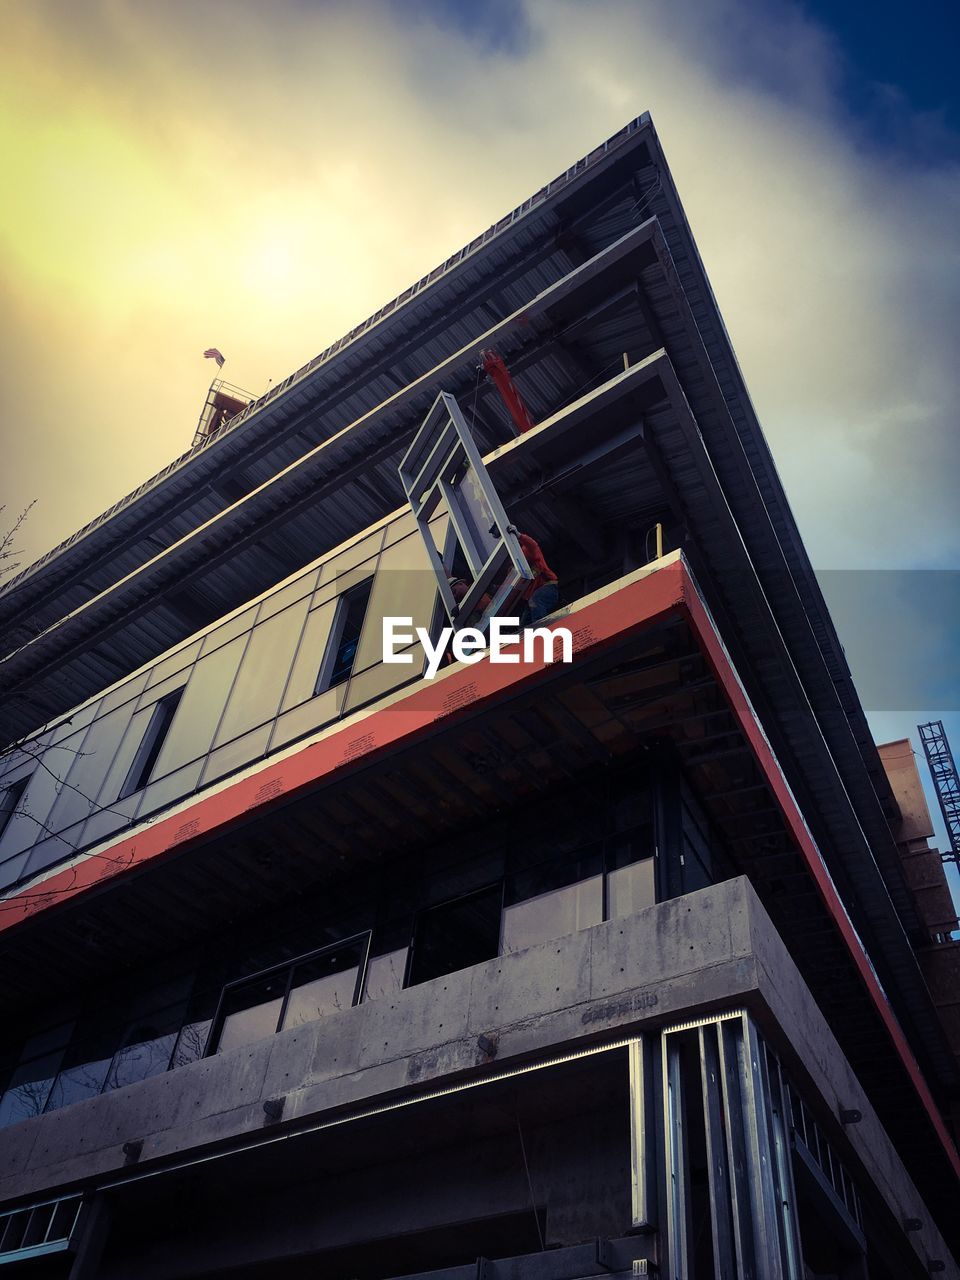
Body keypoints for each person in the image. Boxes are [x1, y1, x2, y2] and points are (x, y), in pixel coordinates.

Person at [511, 529, 559, 626]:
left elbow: (532, 545)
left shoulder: (527, 553)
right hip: (532, 600)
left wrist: (519, 535)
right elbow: (510, 589)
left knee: (535, 599)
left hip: (548, 588)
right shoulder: (514, 571)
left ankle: (542, 628)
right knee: (524, 626)